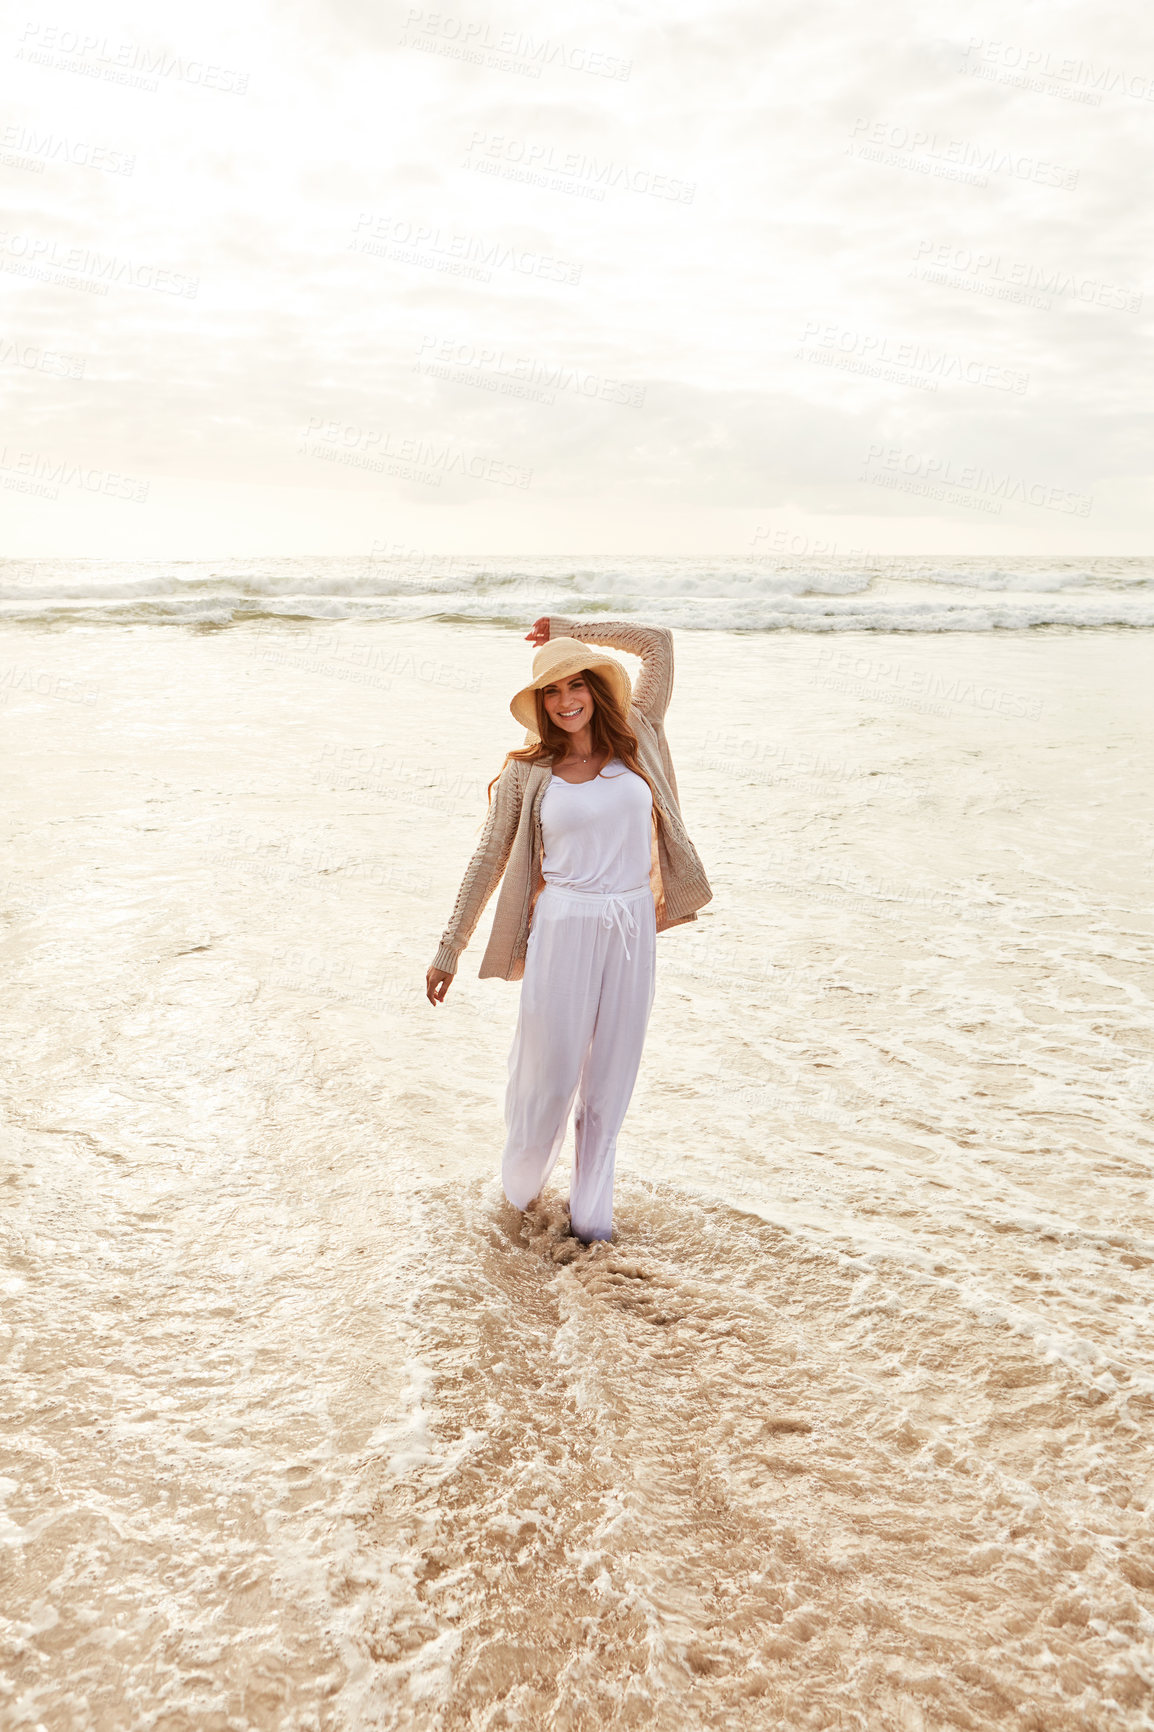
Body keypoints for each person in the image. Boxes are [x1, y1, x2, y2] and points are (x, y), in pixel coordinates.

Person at [425, 615, 712, 1243]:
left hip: (632, 922)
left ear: (596, 688)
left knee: (611, 1082)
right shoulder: (530, 775)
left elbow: (657, 643)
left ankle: (591, 1228)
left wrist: (574, 628)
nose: (564, 702)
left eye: (574, 685)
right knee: (549, 1082)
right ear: (538, 705)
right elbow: (488, 860)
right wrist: (450, 947)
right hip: (563, 926)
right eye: (550, 693)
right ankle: (515, 1205)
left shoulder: (640, 734)